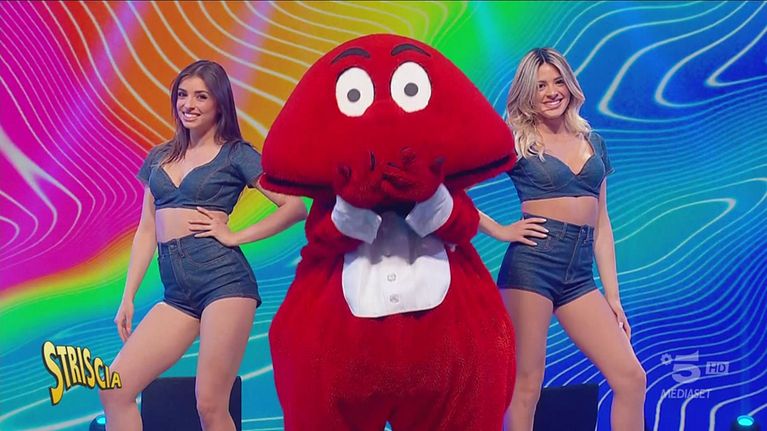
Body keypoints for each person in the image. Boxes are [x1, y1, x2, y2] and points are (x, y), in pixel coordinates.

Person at [99, 60, 307, 431]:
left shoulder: (236, 154)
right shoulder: (160, 156)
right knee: (115, 389)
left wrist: (235, 236)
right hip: (178, 294)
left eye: (201, 96)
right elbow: (146, 230)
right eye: (182, 95)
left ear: (219, 104)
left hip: (223, 283)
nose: (188, 104)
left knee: (210, 404)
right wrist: (127, 297)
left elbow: (294, 207)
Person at [478, 48, 646, 431]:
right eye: (540, 86)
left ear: (570, 85)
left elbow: (602, 224)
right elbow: (447, 188)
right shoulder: (515, 141)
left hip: (580, 276)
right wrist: (500, 230)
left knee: (631, 379)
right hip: (531, 269)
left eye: (558, 82)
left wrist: (613, 296)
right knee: (526, 387)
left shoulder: (593, 141)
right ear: (527, 92)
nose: (552, 92)